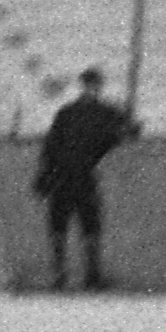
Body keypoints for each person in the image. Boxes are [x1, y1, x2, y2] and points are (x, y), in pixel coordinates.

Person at [33, 67, 141, 292]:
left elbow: (126, 134)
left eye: (94, 84)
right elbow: (52, 145)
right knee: (66, 223)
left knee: (85, 223)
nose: (91, 89)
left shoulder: (99, 112)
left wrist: (129, 126)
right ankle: (65, 274)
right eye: (89, 84)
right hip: (67, 174)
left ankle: (85, 274)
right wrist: (45, 173)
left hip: (77, 174)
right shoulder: (74, 113)